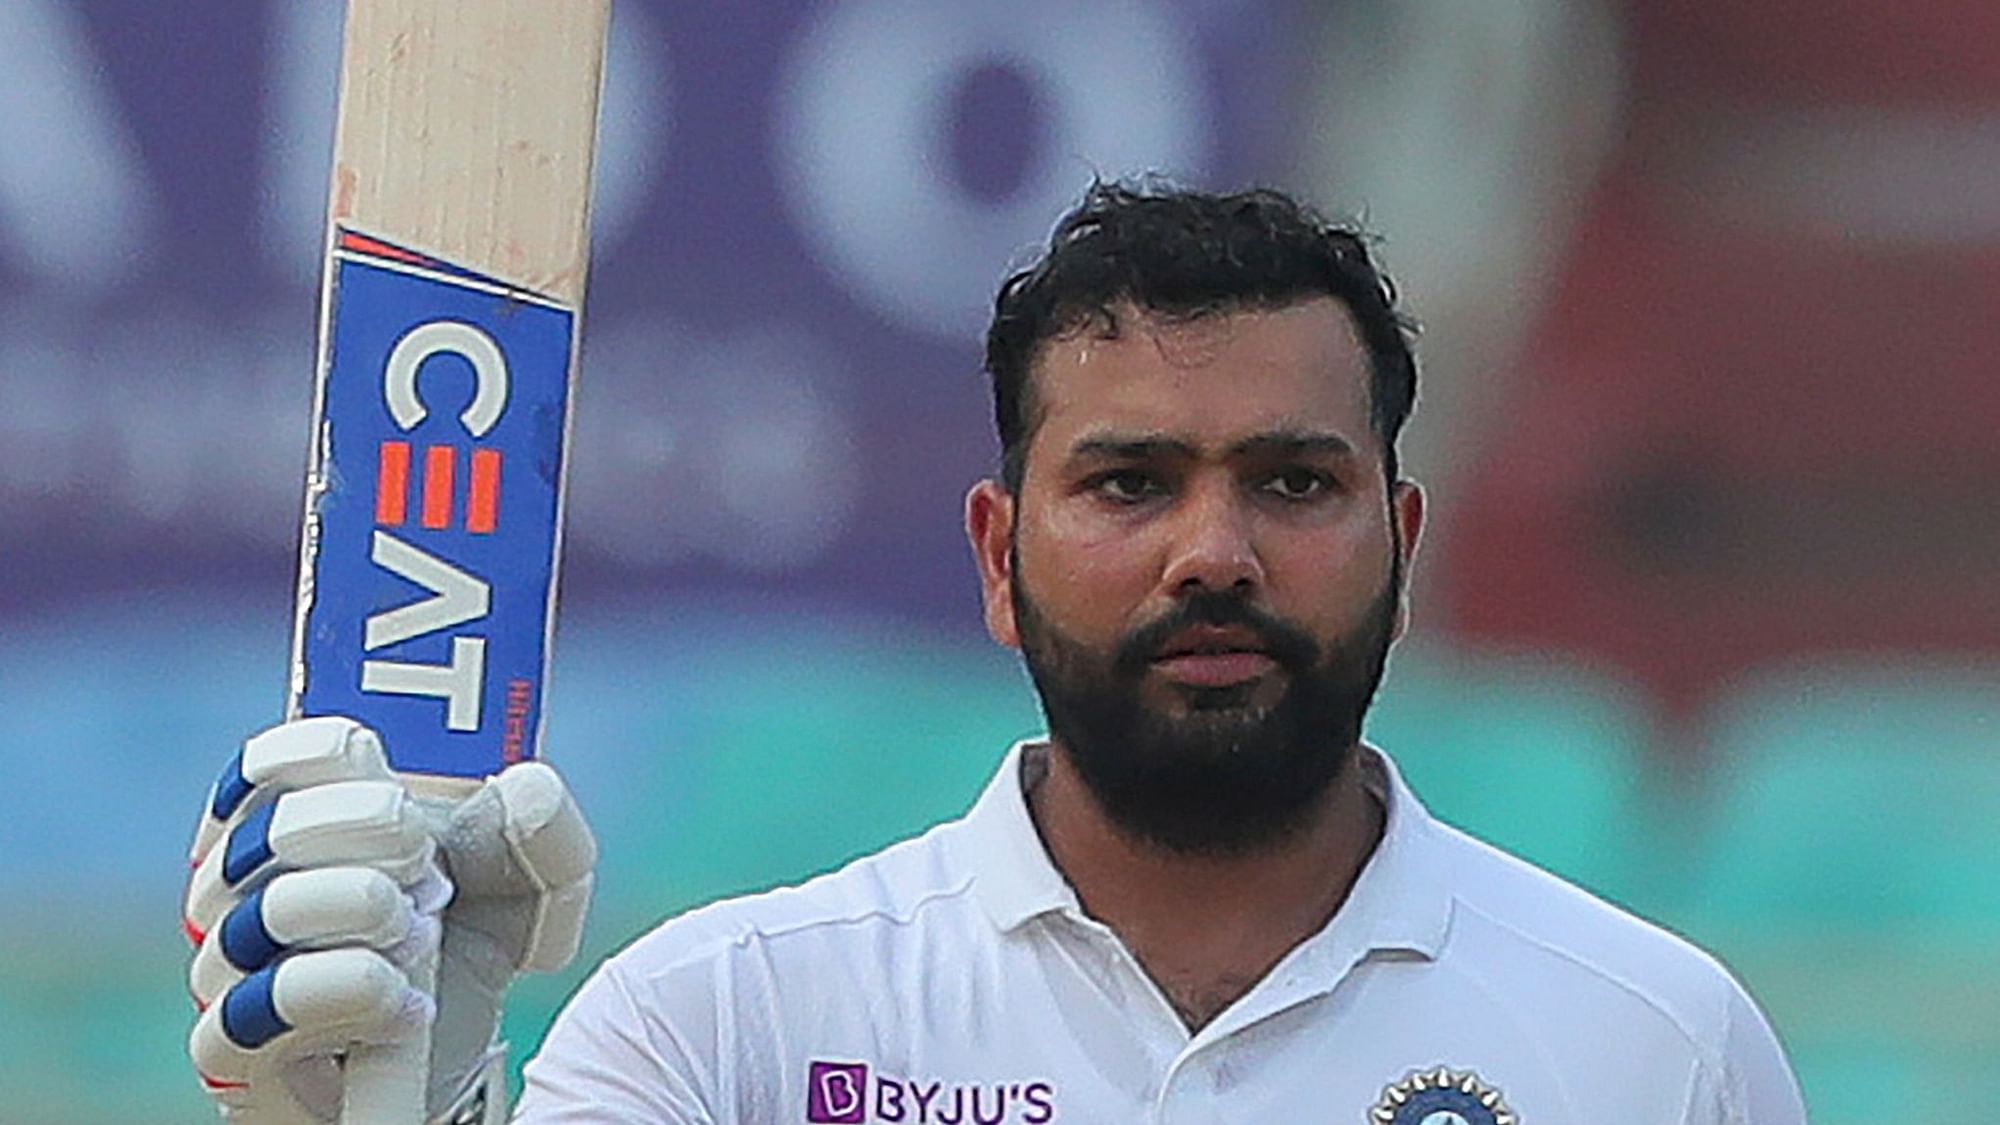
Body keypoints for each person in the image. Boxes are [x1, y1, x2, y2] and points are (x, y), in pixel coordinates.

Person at [184, 182, 1808, 1124]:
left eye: (1294, 480)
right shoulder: (727, 1023)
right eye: (1128, 481)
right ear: (998, 557)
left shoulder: (1657, 1045)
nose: (1213, 552)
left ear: (1404, 538)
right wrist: (392, 1112)